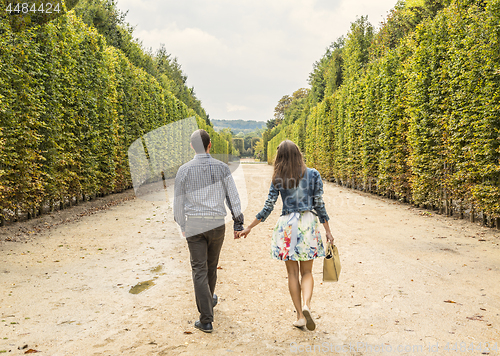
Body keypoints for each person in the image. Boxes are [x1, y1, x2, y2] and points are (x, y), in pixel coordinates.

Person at [237, 140, 333, 331]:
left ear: (279, 156)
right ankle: (307, 304)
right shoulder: (313, 174)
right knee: (307, 272)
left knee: (292, 273)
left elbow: (268, 206)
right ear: (299, 153)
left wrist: (250, 227)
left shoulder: (278, 177)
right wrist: (328, 231)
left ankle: (299, 315)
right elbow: (319, 205)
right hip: (307, 223)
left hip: (288, 226)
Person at [174, 129, 244, 333]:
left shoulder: (184, 170)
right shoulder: (222, 168)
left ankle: (206, 319)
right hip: (216, 224)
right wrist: (237, 222)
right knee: (211, 266)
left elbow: (178, 203)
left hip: (195, 224)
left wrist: (182, 224)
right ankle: (208, 303)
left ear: (191, 146)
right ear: (210, 145)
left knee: (198, 269)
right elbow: (233, 196)